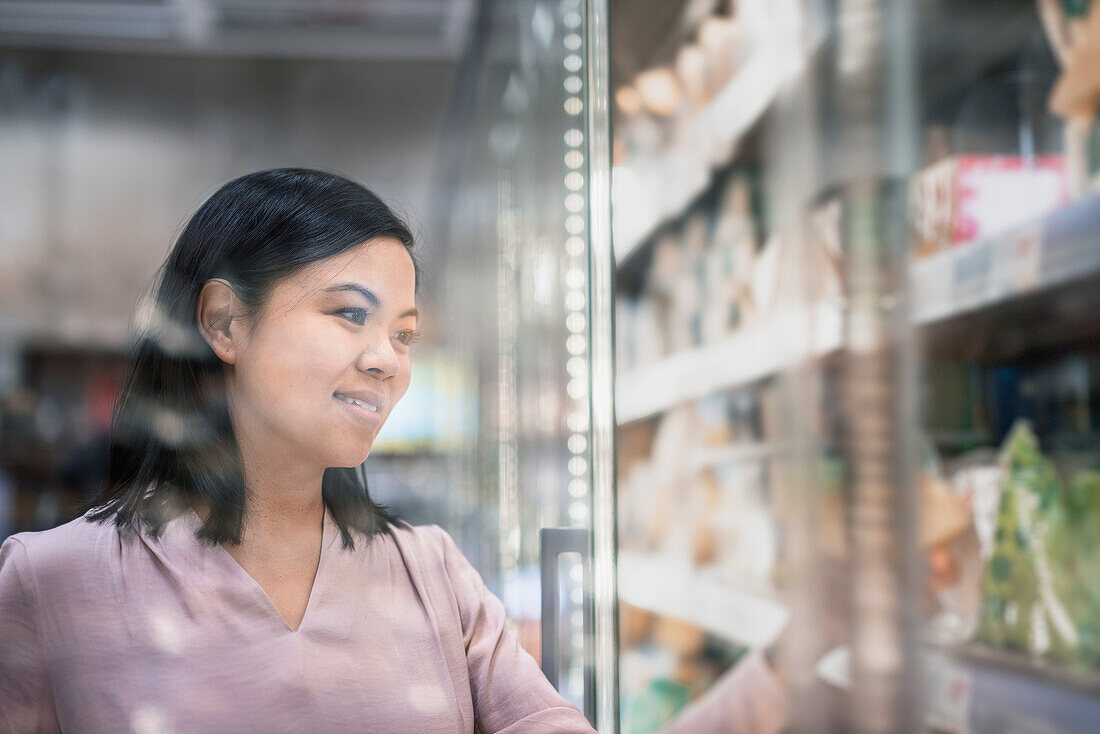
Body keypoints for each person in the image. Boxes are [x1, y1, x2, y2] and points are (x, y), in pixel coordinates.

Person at [0, 169, 787, 733]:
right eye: (349, 315)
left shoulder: (430, 573)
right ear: (224, 323)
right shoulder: (51, 583)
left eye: (404, 334)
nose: (387, 360)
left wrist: (789, 665)